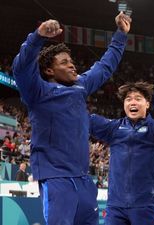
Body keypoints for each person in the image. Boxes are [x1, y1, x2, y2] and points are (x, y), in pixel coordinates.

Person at [12, 12, 131, 225]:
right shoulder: (38, 92)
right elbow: (21, 69)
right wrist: (37, 37)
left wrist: (121, 34)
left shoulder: (80, 86)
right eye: (65, 62)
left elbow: (104, 67)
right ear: (49, 70)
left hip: (84, 180)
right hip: (56, 178)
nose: (72, 65)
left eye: (72, 61)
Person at [89, 82, 154, 225]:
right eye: (128, 99)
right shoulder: (113, 128)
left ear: (148, 104)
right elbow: (81, 120)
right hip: (115, 206)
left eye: (138, 98)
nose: (133, 102)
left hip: (145, 206)